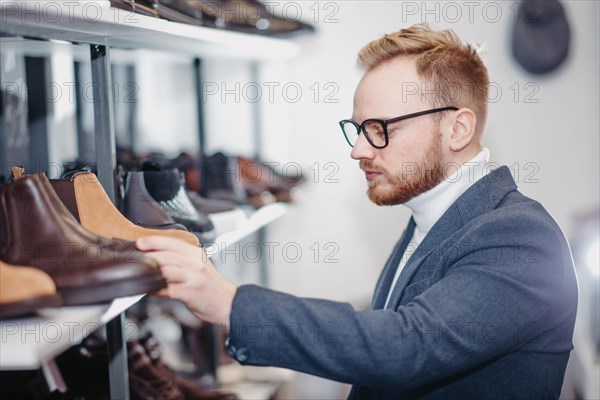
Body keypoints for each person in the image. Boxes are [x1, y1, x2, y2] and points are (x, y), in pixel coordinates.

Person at [136, 24, 578, 399]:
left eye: (381, 129)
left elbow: (403, 347)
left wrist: (230, 303)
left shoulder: (521, 237)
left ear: (457, 128)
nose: (360, 150)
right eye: (359, 129)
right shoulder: (433, 219)